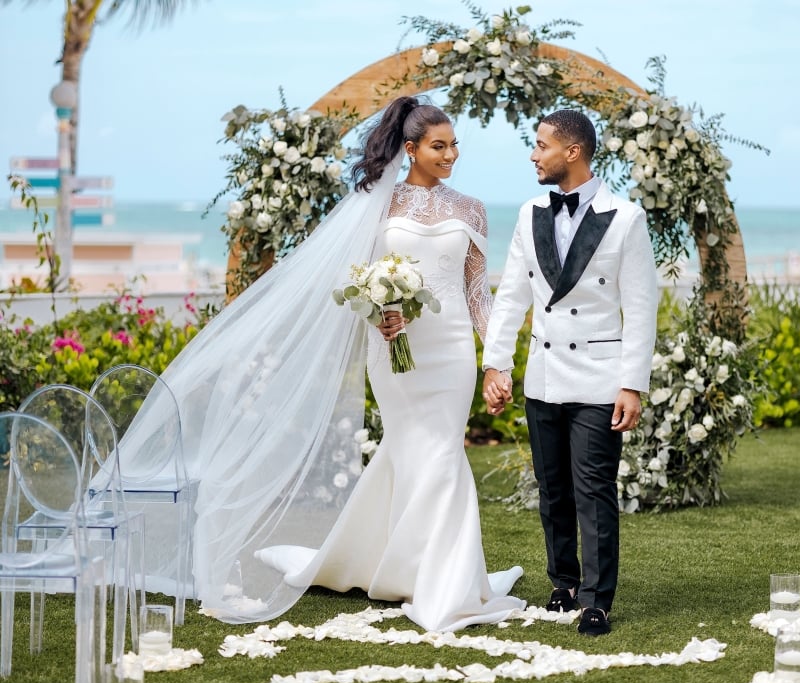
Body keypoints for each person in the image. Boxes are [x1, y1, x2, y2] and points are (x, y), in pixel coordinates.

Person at [122, 96, 524, 630]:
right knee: (411, 448)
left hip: (450, 352)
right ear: (411, 150)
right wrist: (377, 314)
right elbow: (354, 278)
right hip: (396, 350)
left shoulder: (471, 209)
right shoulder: (379, 205)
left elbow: (479, 294)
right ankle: (424, 573)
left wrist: (497, 361)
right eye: (439, 145)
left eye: (454, 145)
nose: (450, 154)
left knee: (441, 451)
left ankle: (431, 575)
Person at [482, 109, 658, 636]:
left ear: (572, 152)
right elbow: (512, 294)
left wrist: (633, 384)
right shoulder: (529, 212)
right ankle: (561, 584)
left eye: (541, 146)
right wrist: (496, 362)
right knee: (552, 487)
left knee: (593, 487)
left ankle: (595, 598)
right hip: (544, 373)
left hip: (600, 377)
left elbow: (641, 307)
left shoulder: (625, 218)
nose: (534, 155)